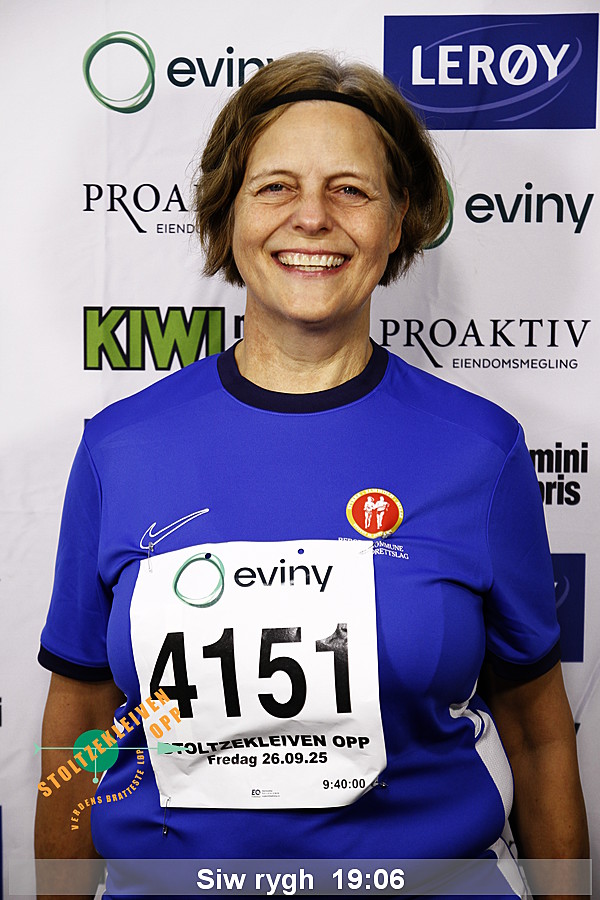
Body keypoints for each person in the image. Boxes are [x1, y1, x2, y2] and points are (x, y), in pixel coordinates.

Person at [36, 51, 588, 898]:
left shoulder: (480, 451)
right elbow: (79, 726)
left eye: (351, 190)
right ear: (228, 215)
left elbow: (539, 733)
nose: (313, 217)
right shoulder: (121, 448)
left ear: (398, 223)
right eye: (276, 187)